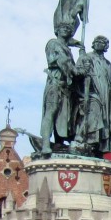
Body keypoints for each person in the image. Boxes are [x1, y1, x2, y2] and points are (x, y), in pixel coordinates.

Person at [74, 34, 111, 155]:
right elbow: (76, 73)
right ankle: (85, 139)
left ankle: (98, 145)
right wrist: (83, 72)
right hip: (90, 92)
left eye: (104, 43)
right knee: (94, 111)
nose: (101, 44)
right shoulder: (86, 57)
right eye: (98, 41)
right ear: (93, 44)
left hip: (106, 96)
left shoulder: (107, 63)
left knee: (106, 119)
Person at [39, 21, 80, 155]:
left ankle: (58, 143)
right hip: (55, 82)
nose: (66, 30)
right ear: (57, 30)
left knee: (63, 117)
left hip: (66, 87)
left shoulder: (67, 48)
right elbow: (61, 61)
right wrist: (75, 70)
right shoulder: (53, 43)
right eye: (63, 28)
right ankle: (45, 144)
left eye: (69, 28)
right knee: (51, 111)